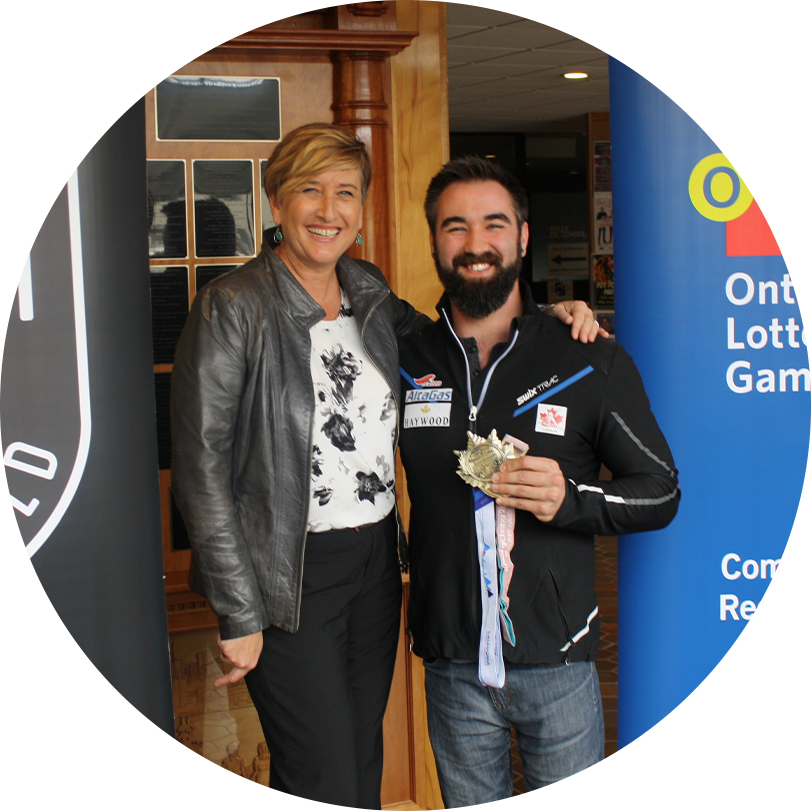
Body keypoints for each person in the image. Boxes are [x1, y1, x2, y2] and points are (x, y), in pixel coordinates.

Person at [172, 123, 601, 811]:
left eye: (345, 192)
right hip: (287, 573)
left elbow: (447, 338)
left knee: (358, 760)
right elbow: (201, 467)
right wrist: (236, 608)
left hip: (373, 563)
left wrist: (543, 318)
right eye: (308, 189)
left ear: (362, 208)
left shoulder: (364, 290)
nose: (327, 209)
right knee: (324, 778)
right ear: (275, 201)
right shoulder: (233, 306)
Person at [397, 156, 680, 811]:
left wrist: (571, 499)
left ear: (522, 237)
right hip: (449, 662)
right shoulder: (404, 354)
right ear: (434, 240)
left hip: (559, 666)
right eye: (454, 226)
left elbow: (660, 490)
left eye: (493, 225)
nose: (474, 244)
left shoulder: (585, 355)